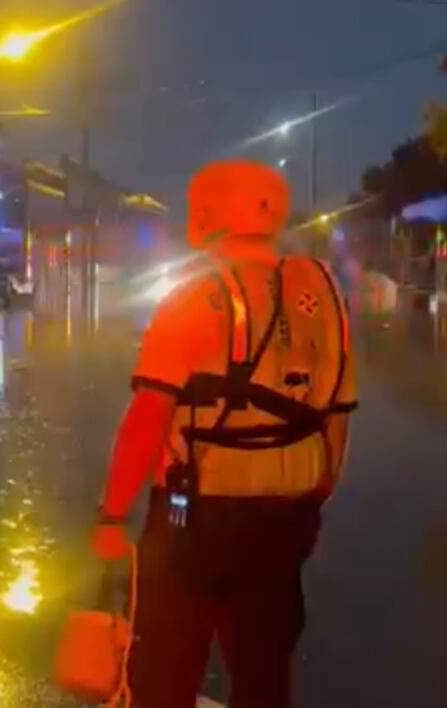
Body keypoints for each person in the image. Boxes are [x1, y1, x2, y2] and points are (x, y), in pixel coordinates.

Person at [92, 160, 357, 708]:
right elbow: (337, 415)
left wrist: (112, 516)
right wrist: (310, 499)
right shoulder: (325, 293)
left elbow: (148, 418)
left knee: (164, 669)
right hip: (287, 518)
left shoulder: (192, 295)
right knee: (264, 671)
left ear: (207, 213)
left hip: (196, 520)